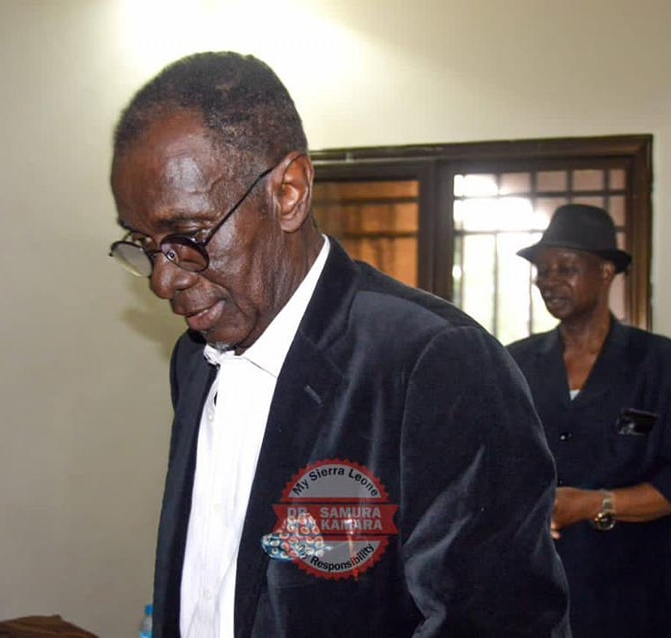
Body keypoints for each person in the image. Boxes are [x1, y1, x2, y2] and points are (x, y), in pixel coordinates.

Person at [108, 51, 570, 637]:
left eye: (189, 236)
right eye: (145, 245)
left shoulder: (431, 363)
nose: (162, 279)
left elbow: (499, 624)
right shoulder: (195, 359)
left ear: (289, 192)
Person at [506, 203, 671, 637]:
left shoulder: (669, 367)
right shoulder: (514, 362)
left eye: (566, 268)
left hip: (635, 591)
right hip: (536, 587)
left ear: (605, 272)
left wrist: (592, 504)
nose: (549, 281)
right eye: (542, 270)